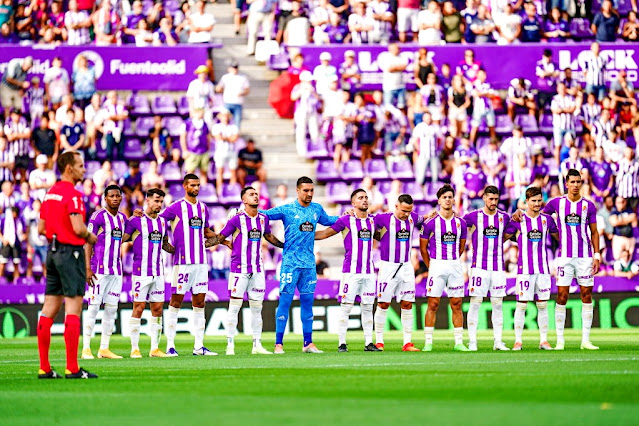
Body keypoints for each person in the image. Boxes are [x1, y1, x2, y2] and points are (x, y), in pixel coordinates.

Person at [514, 169, 600, 350]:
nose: (576, 185)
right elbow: (536, 214)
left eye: (579, 182)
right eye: (573, 182)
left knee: (586, 295)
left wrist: (597, 255)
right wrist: (519, 212)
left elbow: (594, 232)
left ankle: (585, 340)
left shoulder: (589, 206)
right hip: (564, 257)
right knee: (562, 296)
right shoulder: (556, 204)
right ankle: (560, 340)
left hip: (584, 256)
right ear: (566, 184)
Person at [38, 151, 98, 379]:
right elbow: (79, 229)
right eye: (81, 166)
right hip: (69, 252)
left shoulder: (49, 194)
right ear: (69, 169)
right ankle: (72, 368)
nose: (84, 170)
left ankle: (44, 367)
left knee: (48, 309)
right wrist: (91, 237)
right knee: (73, 309)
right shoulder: (73, 195)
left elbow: (41, 229)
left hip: (52, 254)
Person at [262, 176, 338, 354]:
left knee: (307, 303)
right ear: (297, 191)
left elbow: (328, 220)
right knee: (285, 302)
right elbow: (264, 214)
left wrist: (345, 216)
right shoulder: (287, 209)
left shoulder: (316, 209)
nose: (310, 193)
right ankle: (278, 344)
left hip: (309, 265)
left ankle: (308, 343)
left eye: (312, 190)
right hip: (289, 264)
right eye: (306, 190)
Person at [205, 186, 283, 356]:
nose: (256, 196)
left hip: (257, 270)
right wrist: (202, 245)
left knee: (257, 308)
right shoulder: (236, 220)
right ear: (244, 200)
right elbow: (221, 236)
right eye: (251, 195)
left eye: (256, 194)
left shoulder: (263, 218)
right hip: (238, 270)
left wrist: (284, 245)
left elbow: (268, 236)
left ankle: (257, 345)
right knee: (234, 307)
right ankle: (230, 345)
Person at [315, 189, 381, 352]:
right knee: (346, 306)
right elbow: (325, 233)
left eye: (366, 197)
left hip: (369, 271)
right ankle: (342, 343)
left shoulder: (373, 221)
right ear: (353, 203)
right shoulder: (346, 220)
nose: (364, 200)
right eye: (360, 198)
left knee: (367, 307)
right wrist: (303, 234)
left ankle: (368, 343)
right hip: (350, 271)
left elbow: (384, 236)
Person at [160, 174, 218, 356]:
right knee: (175, 301)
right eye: (193, 185)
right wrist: (165, 243)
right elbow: (157, 222)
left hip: (201, 263)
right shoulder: (176, 207)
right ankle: (170, 345)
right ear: (185, 186)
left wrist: (223, 240)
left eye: (198, 185)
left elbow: (206, 231)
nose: (197, 188)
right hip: (182, 263)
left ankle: (199, 346)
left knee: (199, 302)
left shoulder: (203, 208)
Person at [504, 186, 559, 351]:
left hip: (542, 269)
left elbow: (560, 237)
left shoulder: (547, 220)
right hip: (525, 270)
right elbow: (502, 238)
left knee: (542, 305)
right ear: (526, 202)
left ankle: (543, 340)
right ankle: (518, 341)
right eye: (533, 201)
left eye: (539, 200)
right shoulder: (518, 220)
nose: (536, 203)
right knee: (521, 305)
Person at [123, 188, 174, 358]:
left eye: (161, 201)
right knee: (138, 307)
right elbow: (122, 238)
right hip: (140, 271)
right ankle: (135, 348)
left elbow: (164, 243)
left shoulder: (161, 222)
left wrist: (177, 250)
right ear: (147, 201)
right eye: (156, 201)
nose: (159, 204)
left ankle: (154, 349)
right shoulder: (136, 220)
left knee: (158, 309)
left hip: (158, 272)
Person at [420, 184, 470, 352]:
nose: (448, 200)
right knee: (433, 303)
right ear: (439, 200)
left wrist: (453, 260)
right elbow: (422, 248)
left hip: (454, 265)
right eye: (444, 197)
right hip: (437, 265)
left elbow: (461, 246)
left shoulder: (460, 223)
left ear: (454, 199)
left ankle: (458, 342)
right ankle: (428, 342)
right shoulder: (430, 223)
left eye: (450, 197)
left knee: (456, 303)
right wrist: (431, 265)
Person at [372, 194, 424, 352]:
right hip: (388, 266)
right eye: (403, 211)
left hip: (407, 266)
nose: (406, 214)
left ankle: (407, 343)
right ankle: (379, 342)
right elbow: (366, 223)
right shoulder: (383, 218)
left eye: (409, 211)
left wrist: (433, 214)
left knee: (407, 303)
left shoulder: (412, 218)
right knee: (383, 303)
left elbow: (424, 219)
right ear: (396, 206)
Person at [81, 185, 128, 360]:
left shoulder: (122, 219)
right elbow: (88, 242)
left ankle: (104, 349)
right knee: (93, 308)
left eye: (118, 195)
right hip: (98, 270)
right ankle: (86, 348)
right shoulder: (98, 217)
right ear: (105, 199)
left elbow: (128, 235)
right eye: (112, 196)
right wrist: (87, 268)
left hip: (116, 271)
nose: (115, 198)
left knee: (111, 309)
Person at [463, 186, 511, 351]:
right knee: (475, 303)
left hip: (498, 267)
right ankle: (472, 342)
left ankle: (498, 341)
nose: (494, 202)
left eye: (496, 199)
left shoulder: (504, 217)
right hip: (479, 267)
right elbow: (458, 225)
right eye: (490, 199)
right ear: (484, 198)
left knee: (497, 304)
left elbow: (510, 233)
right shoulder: (474, 216)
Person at [210, 109, 238, 194]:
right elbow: (218, 137)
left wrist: (224, 137)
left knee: (233, 172)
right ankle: (219, 190)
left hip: (231, 151)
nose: (225, 118)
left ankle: (232, 190)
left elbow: (234, 139)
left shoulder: (233, 127)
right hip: (220, 151)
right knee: (220, 171)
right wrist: (229, 138)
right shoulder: (216, 126)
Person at [180, 108, 211, 185]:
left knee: (204, 171)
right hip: (192, 151)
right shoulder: (187, 123)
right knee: (190, 172)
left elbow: (208, 137)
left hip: (203, 151)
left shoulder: (205, 124)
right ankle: (189, 189)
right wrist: (184, 150)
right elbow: (183, 137)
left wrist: (208, 147)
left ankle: (204, 189)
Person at [215, 61, 250, 128]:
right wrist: (222, 91)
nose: (234, 70)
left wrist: (242, 93)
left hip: (238, 103)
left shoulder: (243, 78)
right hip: (227, 102)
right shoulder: (225, 77)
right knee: (225, 121)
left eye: (236, 68)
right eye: (233, 68)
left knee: (237, 123)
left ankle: (235, 137)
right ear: (229, 69)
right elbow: (218, 88)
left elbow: (247, 90)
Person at [469, 69, 496, 142]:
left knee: (491, 126)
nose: (482, 76)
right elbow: (475, 94)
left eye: (483, 75)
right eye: (480, 75)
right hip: (478, 108)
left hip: (488, 107)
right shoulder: (474, 84)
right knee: (475, 126)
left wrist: (482, 94)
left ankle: (493, 143)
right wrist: (486, 94)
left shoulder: (488, 84)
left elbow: (492, 95)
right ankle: (471, 144)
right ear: (477, 75)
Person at [609, 196, 637, 260]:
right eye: (619, 202)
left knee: (629, 259)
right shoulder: (614, 212)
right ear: (616, 203)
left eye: (623, 202)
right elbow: (614, 222)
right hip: (618, 238)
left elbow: (634, 221)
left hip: (629, 238)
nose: (621, 203)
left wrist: (620, 221)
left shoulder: (630, 211)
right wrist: (628, 220)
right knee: (617, 258)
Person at [380, 44, 408, 109]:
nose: (398, 50)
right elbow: (389, 69)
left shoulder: (401, 57)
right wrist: (398, 67)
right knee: (388, 108)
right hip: (389, 87)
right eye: (396, 48)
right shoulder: (385, 57)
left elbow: (404, 67)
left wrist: (394, 68)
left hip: (400, 86)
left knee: (402, 107)